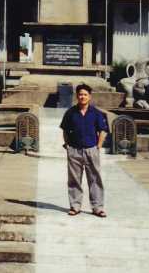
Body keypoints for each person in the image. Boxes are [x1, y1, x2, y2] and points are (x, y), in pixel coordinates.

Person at [60, 83, 109, 217]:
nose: (82, 97)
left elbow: (103, 131)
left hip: (91, 150)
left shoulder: (96, 113)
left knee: (95, 179)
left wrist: (98, 146)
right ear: (77, 96)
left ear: (90, 97)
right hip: (74, 150)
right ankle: (75, 206)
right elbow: (65, 130)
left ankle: (97, 207)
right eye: (80, 94)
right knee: (74, 179)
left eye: (85, 94)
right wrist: (67, 145)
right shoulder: (70, 112)